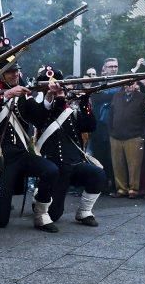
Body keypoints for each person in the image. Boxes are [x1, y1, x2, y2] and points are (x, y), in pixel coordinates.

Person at [0, 53, 60, 233]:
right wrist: (7, 95)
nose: (15, 75)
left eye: (16, 71)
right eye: (9, 72)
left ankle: (41, 214)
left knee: (51, 170)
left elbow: (38, 118)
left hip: (21, 152)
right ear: (0, 74)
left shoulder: (23, 93)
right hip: (0, 155)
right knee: (1, 221)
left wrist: (49, 96)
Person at [31, 66, 106, 226]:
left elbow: (89, 126)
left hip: (75, 163)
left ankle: (84, 212)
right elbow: (51, 114)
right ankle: (40, 195)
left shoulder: (71, 108)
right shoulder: (40, 107)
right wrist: (57, 97)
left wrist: (85, 99)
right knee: (54, 214)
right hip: (55, 167)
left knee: (98, 174)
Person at [107, 81, 145, 198]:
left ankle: (133, 189)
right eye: (127, 83)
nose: (129, 86)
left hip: (134, 135)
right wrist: (111, 131)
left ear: (136, 84)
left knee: (134, 165)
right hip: (116, 135)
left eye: (132, 83)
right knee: (117, 164)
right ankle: (121, 189)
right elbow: (110, 115)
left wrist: (143, 135)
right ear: (123, 84)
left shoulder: (142, 98)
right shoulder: (116, 96)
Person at [89, 57, 120, 188]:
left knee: (113, 158)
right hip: (99, 126)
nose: (113, 69)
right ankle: (100, 184)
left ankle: (112, 184)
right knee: (99, 157)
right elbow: (99, 95)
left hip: (115, 126)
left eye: (115, 66)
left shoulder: (121, 82)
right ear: (104, 69)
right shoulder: (98, 82)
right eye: (110, 66)